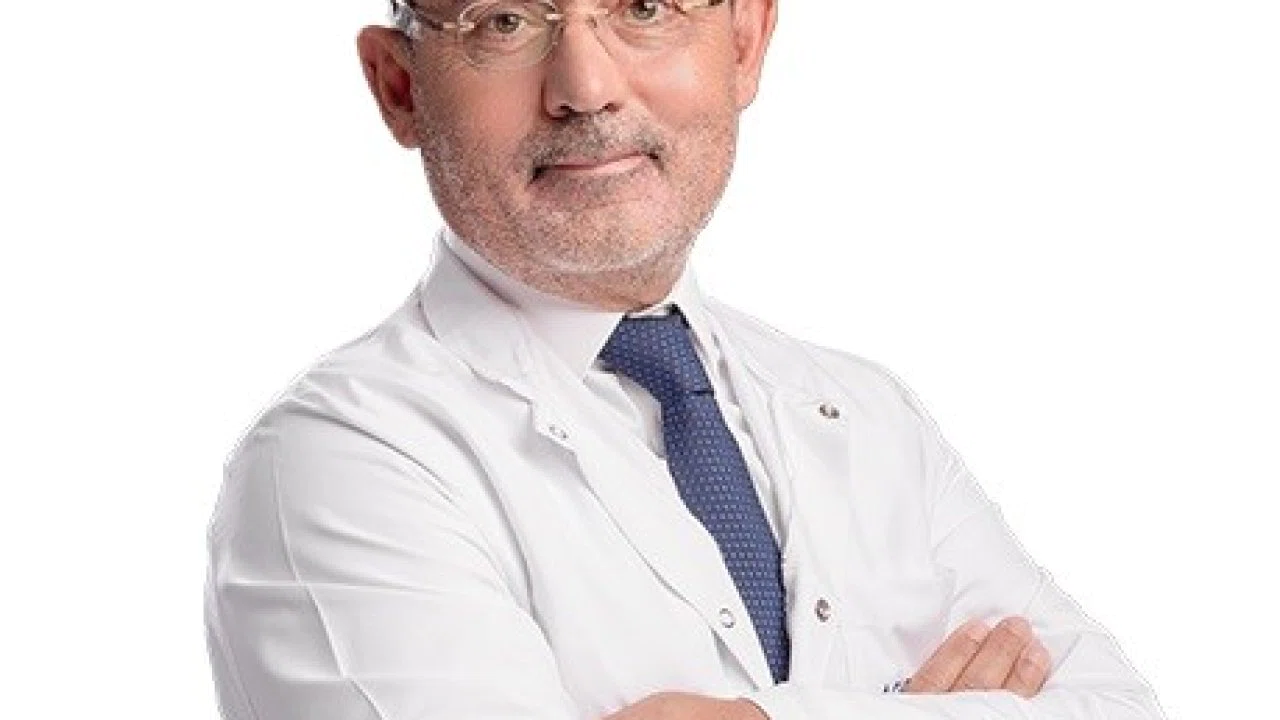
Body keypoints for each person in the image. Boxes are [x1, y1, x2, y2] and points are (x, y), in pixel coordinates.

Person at [203, 1, 1164, 718]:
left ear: (745, 41)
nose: (585, 86)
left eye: (646, 7)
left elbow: (1121, 706)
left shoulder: (868, 417)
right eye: (505, 21)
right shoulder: (337, 463)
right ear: (400, 87)